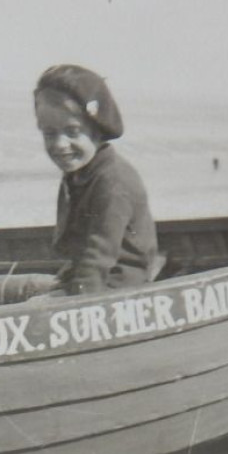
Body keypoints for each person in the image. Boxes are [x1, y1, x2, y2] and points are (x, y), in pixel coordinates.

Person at [33, 64, 158, 296]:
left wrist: (76, 306)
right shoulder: (81, 174)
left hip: (120, 291)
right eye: (50, 133)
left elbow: (96, 259)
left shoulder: (112, 182)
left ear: (97, 131)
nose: (60, 144)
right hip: (94, 282)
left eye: (72, 131)